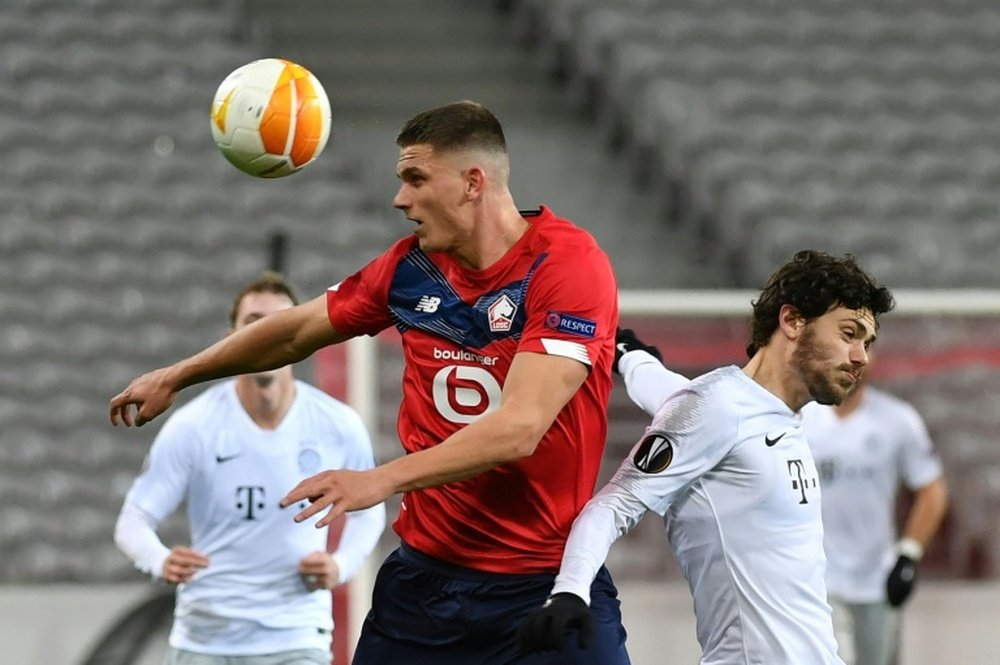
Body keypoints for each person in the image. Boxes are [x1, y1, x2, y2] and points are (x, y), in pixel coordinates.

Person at [110, 101, 631, 665]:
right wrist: (179, 374)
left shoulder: (566, 266)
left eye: (415, 178)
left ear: (472, 183)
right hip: (425, 590)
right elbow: (296, 331)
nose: (400, 199)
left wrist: (379, 481)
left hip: (547, 583)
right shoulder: (410, 269)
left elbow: (520, 427)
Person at [518, 250, 895, 664]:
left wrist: (631, 356)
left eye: (867, 341)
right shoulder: (719, 407)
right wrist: (570, 591)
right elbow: (612, 505)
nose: (861, 356)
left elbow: (673, 395)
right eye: (848, 333)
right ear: (792, 321)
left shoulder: (769, 411)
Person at [113, 271, 386, 665]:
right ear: (231, 340)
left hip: (297, 636)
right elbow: (133, 520)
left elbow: (369, 511)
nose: (268, 337)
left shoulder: (337, 424)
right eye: (255, 326)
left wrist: (340, 565)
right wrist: (160, 560)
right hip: (207, 641)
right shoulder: (194, 426)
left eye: (281, 325)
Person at [802, 364, 949, 665]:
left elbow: (932, 491)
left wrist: (908, 555)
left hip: (876, 581)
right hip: (818, 581)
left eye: (865, 343)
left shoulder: (897, 420)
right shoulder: (802, 419)